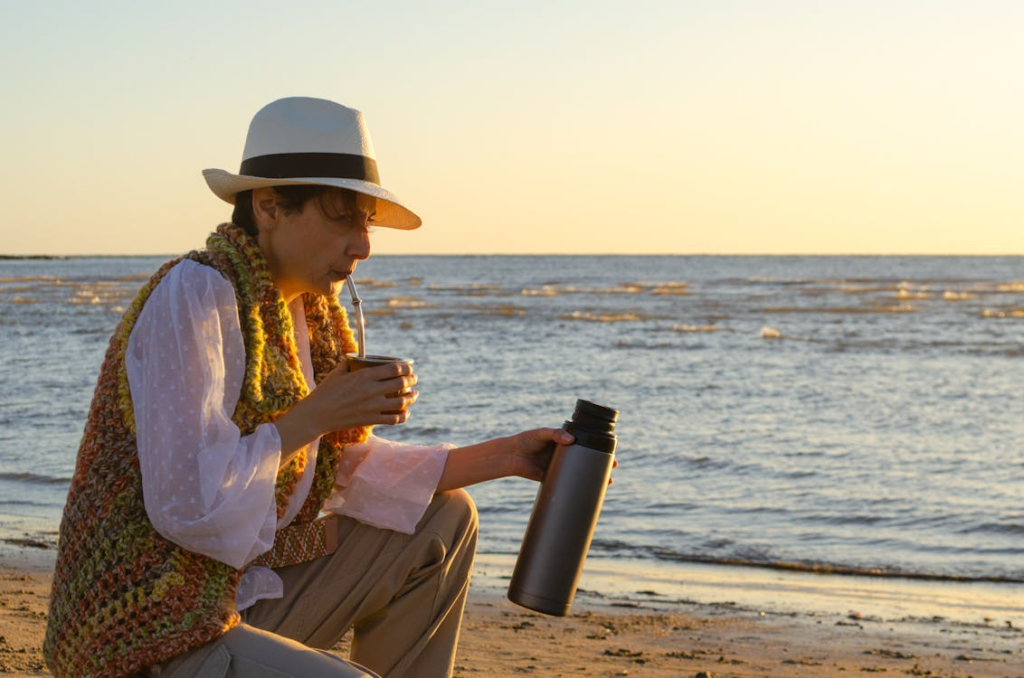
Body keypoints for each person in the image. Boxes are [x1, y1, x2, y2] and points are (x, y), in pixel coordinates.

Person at [43, 96, 575, 678]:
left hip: (229, 599)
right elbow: (186, 505)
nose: (363, 245)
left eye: (365, 222)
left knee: (443, 519)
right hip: (150, 635)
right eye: (341, 217)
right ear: (269, 207)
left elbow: (331, 473)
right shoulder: (195, 294)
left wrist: (508, 455)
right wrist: (317, 414)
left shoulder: (303, 314)